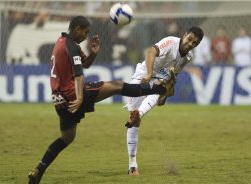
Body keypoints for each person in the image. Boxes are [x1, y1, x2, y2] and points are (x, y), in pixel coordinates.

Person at [28, 15, 172, 184]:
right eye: (85, 32)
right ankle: (160, 88)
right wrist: (80, 96)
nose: (86, 36)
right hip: (73, 94)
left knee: (66, 138)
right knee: (117, 86)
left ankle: (39, 169)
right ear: (77, 29)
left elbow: (85, 64)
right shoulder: (71, 46)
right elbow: (78, 74)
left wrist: (93, 53)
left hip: (60, 100)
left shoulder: (62, 41)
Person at [124, 26, 204, 176]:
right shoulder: (170, 42)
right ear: (184, 34)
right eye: (189, 39)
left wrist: (165, 95)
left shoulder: (188, 57)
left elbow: (171, 76)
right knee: (132, 122)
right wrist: (148, 74)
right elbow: (151, 52)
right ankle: (137, 114)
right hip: (142, 75)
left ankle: (132, 165)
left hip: (158, 81)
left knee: (153, 97)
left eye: (194, 43)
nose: (190, 44)